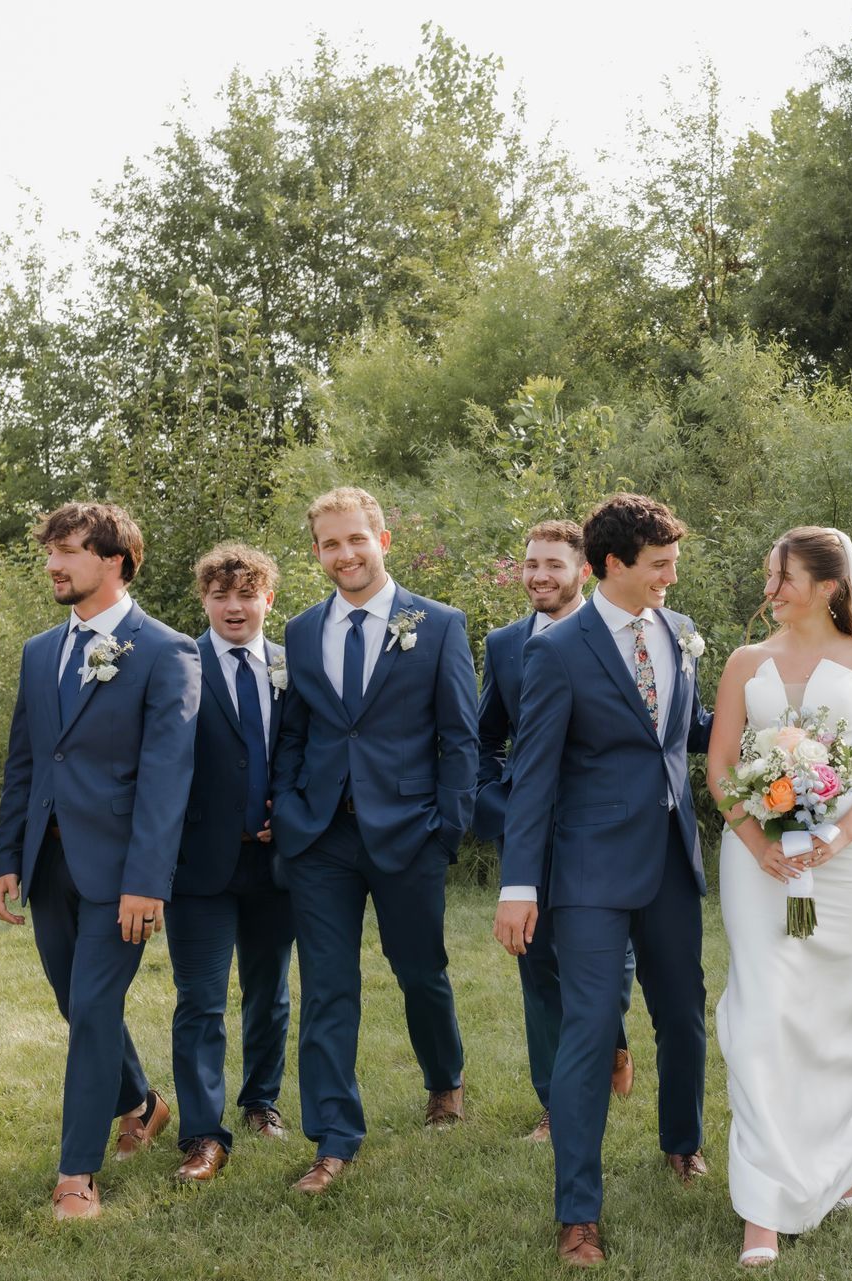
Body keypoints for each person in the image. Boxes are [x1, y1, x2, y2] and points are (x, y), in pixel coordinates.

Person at [707, 527, 852, 1269]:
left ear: (829, 586)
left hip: (848, 861)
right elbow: (719, 769)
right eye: (771, 576)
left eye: (785, 578)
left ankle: (840, 1157)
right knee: (764, 1014)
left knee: (840, 1013)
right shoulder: (746, 662)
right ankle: (764, 1209)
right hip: (759, 859)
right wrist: (759, 840)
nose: (771, 590)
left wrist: (836, 839)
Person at [493, 493, 712, 1269]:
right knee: (588, 1031)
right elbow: (533, 775)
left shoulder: (678, 632)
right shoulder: (556, 651)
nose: (672, 575)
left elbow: (690, 731)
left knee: (684, 1013)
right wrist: (520, 885)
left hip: (672, 862)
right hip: (586, 870)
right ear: (612, 564)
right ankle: (577, 1213)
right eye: (660, 564)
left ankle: (682, 1143)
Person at [0, 501, 197, 1219]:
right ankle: (142, 1099)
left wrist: (147, 881)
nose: (53, 562)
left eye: (68, 549)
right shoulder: (40, 650)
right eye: (50, 548)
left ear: (114, 560)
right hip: (48, 864)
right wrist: (6, 856)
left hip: (120, 873)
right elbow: (26, 761)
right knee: (77, 1006)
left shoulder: (167, 650)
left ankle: (77, 1172)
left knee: (94, 1006)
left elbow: (168, 778)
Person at [270, 487, 480, 1194]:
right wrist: (292, 805)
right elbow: (296, 727)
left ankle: (444, 1078)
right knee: (327, 987)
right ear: (317, 553)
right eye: (330, 544)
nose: (345, 554)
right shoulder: (301, 631)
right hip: (320, 835)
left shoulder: (439, 623)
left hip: (409, 831)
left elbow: (460, 737)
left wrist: (445, 827)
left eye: (355, 539)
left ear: (382, 540)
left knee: (420, 967)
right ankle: (334, 1138)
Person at [475, 520, 637, 1144]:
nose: (539, 575)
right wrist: (493, 803)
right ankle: (556, 1104)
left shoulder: (618, 636)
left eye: (553, 564)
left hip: (603, 832)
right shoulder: (504, 644)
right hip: (532, 831)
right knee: (539, 968)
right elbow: (486, 735)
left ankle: (611, 1039)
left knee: (610, 964)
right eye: (530, 563)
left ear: (585, 570)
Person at [169, 544, 297, 1183]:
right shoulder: (180, 663)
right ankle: (201, 1134)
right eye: (220, 595)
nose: (234, 606)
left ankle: (261, 1102)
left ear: (267, 600)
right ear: (205, 601)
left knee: (270, 992)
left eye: (246, 594)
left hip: (276, 861)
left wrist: (294, 808)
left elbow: (309, 746)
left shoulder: (291, 663)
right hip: (200, 862)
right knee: (200, 1001)